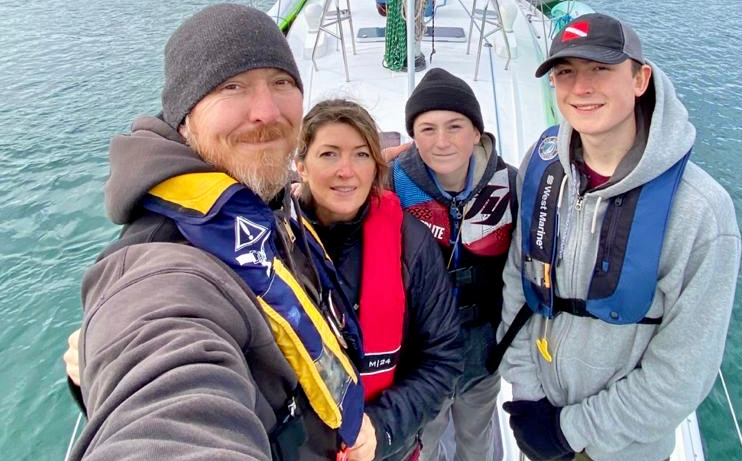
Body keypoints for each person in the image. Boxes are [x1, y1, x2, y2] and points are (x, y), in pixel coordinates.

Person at [70, 5, 370, 461]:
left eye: (282, 82)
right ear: (185, 116)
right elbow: (169, 413)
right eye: (232, 86)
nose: (267, 112)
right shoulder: (160, 272)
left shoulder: (254, 201)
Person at [497, 13, 742, 461]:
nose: (581, 87)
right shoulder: (541, 163)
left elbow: (683, 371)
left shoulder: (700, 212)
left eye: (601, 69)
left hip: (622, 446)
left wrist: (571, 431)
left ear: (640, 79)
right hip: (539, 418)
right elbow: (519, 280)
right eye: (565, 72)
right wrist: (526, 394)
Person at [294, 99, 463, 461]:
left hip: (388, 448)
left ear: (375, 167)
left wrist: (382, 427)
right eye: (328, 154)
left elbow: (442, 357)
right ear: (301, 166)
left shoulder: (410, 243)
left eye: (361, 155)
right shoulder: (273, 244)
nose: (346, 170)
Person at [389, 68, 517, 461]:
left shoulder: (511, 185)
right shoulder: (390, 185)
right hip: (421, 360)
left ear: (477, 132)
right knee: (424, 441)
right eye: (427, 129)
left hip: (483, 355)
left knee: (476, 439)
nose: (441, 141)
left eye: (455, 126)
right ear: (413, 135)